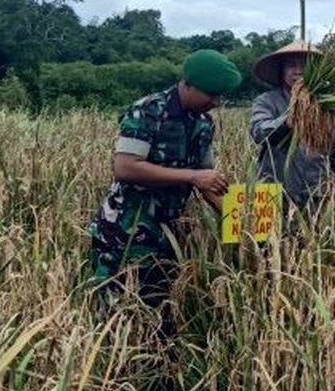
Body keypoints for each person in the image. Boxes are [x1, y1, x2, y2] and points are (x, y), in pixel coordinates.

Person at [87, 49, 241, 331]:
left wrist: (240, 221)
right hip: (124, 233)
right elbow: (126, 167)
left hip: (167, 236)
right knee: (116, 318)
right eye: (211, 94)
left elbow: (207, 181)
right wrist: (192, 176)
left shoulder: (204, 124)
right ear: (188, 84)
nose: (216, 102)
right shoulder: (148, 111)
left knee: (159, 314)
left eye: (220, 96)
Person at [249, 40, 335, 226]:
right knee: (267, 242)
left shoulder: (326, 106)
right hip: (272, 193)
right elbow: (259, 133)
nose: (298, 71)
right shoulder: (267, 101)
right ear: (282, 71)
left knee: (313, 241)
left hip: (316, 195)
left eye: (304, 66)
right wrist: (292, 115)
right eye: (291, 65)